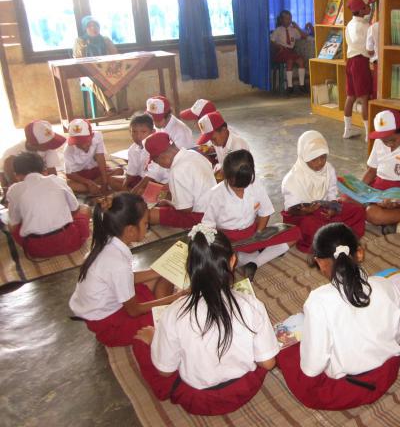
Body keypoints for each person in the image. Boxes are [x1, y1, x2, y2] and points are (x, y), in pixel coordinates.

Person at [132, 224, 278, 415]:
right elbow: (268, 364)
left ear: (188, 267)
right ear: (233, 261)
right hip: (245, 388)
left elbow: (165, 372)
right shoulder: (251, 304)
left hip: (199, 400)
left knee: (140, 342)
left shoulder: (174, 313)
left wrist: (154, 341)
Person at [277, 223, 400, 410]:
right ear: (359, 253)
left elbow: (312, 368)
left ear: (320, 262)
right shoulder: (386, 286)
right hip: (387, 374)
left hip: (347, 388)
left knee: (286, 350)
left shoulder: (318, 301)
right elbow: (398, 336)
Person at [68, 193, 183, 346]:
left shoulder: (108, 242)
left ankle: (163, 305)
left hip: (110, 308)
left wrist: (158, 270)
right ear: (130, 230)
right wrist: (173, 298)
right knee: (174, 318)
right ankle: (165, 307)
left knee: (163, 275)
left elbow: (127, 278)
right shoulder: (117, 262)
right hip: (109, 326)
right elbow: (134, 310)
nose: (147, 228)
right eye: (145, 224)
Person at [202, 150, 300, 281]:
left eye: (244, 186)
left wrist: (259, 235)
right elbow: (208, 228)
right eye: (236, 187)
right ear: (225, 175)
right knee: (214, 261)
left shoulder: (255, 184)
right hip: (229, 240)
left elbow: (265, 212)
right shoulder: (215, 194)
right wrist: (225, 245)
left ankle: (254, 263)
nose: (241, 190)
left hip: (253, 234)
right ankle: (246, 256)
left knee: (294, 232)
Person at [281, 130, 365, 252]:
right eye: (314, 159)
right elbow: (291, 209)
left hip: (324, 209)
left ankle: (340, 239)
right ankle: (331, 242)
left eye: (323, 157)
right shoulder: (292, 179)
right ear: (303, 157)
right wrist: (307, 211)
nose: (320, 162)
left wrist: (333, 208)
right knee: (312, 227)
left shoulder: (328, 169)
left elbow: (332, 192)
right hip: (302, 215)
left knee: (358, 211)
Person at [7, 152, 90, 258]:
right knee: (85, 208)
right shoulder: (57, 180)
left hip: (36, 250)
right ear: (44, 170)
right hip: (70, 243)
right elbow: (75, 209)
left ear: (17, 175)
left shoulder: (14, 189)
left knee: (10, 221)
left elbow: (15, 222)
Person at [144, 132, 215, 229]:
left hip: (201, 217)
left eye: (157, 162)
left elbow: (186, 209)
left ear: (162, 157)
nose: (160, 165)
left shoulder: (177, 170)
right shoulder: (194, 154)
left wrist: (168, 202)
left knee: (149, 214)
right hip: (215, 209)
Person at [73, 15, 126, 114]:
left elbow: (115, 55)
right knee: (94, 82)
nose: (94, 28)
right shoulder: (80, 41)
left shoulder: (105, 39)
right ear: (85, 28)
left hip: (105, 71)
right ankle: (110, 108)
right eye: (90, 26)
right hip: (87, 74)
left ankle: (123, 108)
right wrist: (84, 47)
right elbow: (78, 60)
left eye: (96, 25)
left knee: (121, 78)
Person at [343, 0, 375, 139]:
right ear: (361, 10)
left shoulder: (350, 24)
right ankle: (369, 133)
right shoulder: (365, 26)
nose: (370, 7)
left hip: (350, 61)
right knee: (364, 98)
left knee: (351, 96)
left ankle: (347, 129)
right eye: (368, 6)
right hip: (360, 62)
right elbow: (367, 47)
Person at [64, 118, 123, 194]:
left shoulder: (97, 137)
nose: (83, 146)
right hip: (81, 175)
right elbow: (69, 174)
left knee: (119, 171)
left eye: (86, 142)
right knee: (69, 184)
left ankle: (96, 186)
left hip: (96, 171)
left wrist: (105, 182)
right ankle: (95, 185)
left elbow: (100, 158)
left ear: (91, 136)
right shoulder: (68, 149)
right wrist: (88, 182)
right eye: (78, 143)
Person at [1, 120, 65, 188]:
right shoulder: (11, 154)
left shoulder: (49, 148)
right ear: (32, 144)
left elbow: (53, 175)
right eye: (46, 145)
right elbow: (5, 182)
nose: (50, 146)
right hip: (19, 186)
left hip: (39, 182)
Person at [114, 113, 168, 193]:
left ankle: (134, 196)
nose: (138, 136)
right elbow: (131, 172)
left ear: (152, 132)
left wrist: (136, 189)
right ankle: (133, 196)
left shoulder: (156, 148)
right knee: (112, 180)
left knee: (141, 191)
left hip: (157, 181)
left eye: (143, 132)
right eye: (134, 132)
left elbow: (152, 175)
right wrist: (124, 186)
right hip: (141, 179)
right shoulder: (133, 149)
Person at [270, 10, 308, 94]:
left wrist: (297, 27)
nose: (289, 20)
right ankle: (290, 86)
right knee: (290, 61)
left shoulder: (293, 30)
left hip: (290, 51)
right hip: (281, 52)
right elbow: (271, 41)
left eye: (290, 18)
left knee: (301, 60)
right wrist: (278, 46)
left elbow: (305, 36)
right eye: (286, 18)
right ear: (281, 20)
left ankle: (302, 85)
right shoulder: (278, 30)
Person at [366, 19, 379, 99]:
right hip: (395, 62)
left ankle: (377, 111)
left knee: (376, 90)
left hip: (377, 63)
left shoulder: (374, 27)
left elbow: (369, 50)